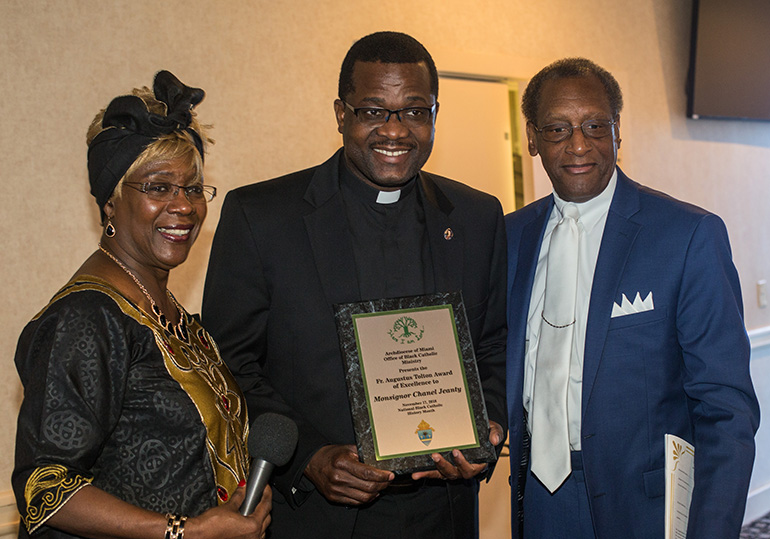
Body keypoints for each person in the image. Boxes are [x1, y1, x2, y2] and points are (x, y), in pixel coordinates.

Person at [202, 31, 507, 538]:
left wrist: (486, 430)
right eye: (373, 111)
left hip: (444, 514)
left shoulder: (477, 216)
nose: (396, 130)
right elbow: (228, 366)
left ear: (435, 114)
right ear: (341, 114)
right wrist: (310, 455)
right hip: (318, 518)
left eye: (414, 110)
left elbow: (492, 343)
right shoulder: (261, 217)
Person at [505, 57, 760, 538]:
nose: (579, 144)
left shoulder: (687, 235)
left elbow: (727, 409)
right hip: (537, 499)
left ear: (618, 130)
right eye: (558, 129)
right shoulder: (510, 237)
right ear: (533, 139)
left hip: (645, 510)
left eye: (595, 125)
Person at [12, 71, 272, 539]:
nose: (185, 206)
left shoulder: (171, 314)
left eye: (194, 188)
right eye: (158, 188)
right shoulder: (86, 319)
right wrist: (185, 531)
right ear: (110, 203)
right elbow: (45, 488)